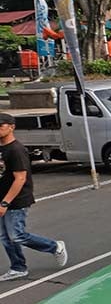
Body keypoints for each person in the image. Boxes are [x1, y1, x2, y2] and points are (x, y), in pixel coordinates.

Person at [0, 113, 66, 281]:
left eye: (1, 126)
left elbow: (20, 178)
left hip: (16, 200)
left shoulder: (16, 150)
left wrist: (5, 202)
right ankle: (18, 267)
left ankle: (54, 246)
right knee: (6, 237)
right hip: (2, 199)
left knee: (17, 235)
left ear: (11, 127)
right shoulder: (1, 148)